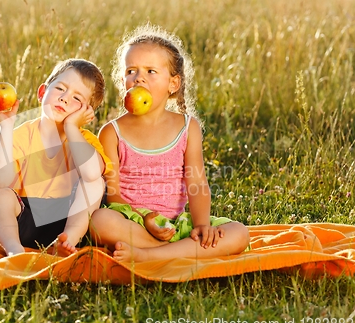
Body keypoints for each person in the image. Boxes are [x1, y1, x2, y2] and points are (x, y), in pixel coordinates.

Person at [90, 24, 250, 263]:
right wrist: (145, 219)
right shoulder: (112, 132)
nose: (138, 78)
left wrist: (202, 225)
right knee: (99, 221)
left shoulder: (188, 128)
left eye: (150, 71)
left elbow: (196, 182)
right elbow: (113, 196)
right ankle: (175, 253)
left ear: (173, 84)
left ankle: (147, 255)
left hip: (176, 226)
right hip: (135, 224)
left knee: (240, 234)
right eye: (131, 70)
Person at [0, 58, 112, 257]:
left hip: (65, 221)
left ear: (87, 113)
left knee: (94, 183)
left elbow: (92, 172)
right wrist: (6, 127)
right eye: (60, 88)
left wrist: (71, 127)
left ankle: (67, 242)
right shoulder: (21, 135)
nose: (65, 98)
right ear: (42, 92)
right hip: (21, 221)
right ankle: (14, 249)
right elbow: (0, 180)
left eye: (77, 98)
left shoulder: (86, 142)